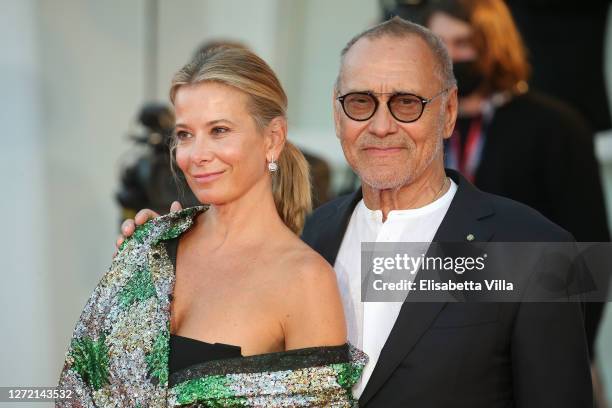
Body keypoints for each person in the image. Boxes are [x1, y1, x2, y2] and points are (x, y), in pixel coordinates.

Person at [118, 17, 593, 407]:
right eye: (361, 103)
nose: (381, 126)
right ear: (337, 113)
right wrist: (173, 265)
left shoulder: (533, 250)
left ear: (447, 112)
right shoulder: (308, 235)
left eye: (406, 103)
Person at [58, 45, 366, 407]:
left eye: (219, 130)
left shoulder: (306, 281)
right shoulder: (153, 246)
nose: (197, 155)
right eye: (185, 135)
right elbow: (84, 384)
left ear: (273, 139)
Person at [423, 0, 610, 366]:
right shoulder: (413, 126)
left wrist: (569, 356)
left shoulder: (556, 128)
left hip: (529, 347)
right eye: (436, 44)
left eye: (463, 44)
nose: (447, 58)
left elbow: (590, 255)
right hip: (427, 347)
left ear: (494, 47)